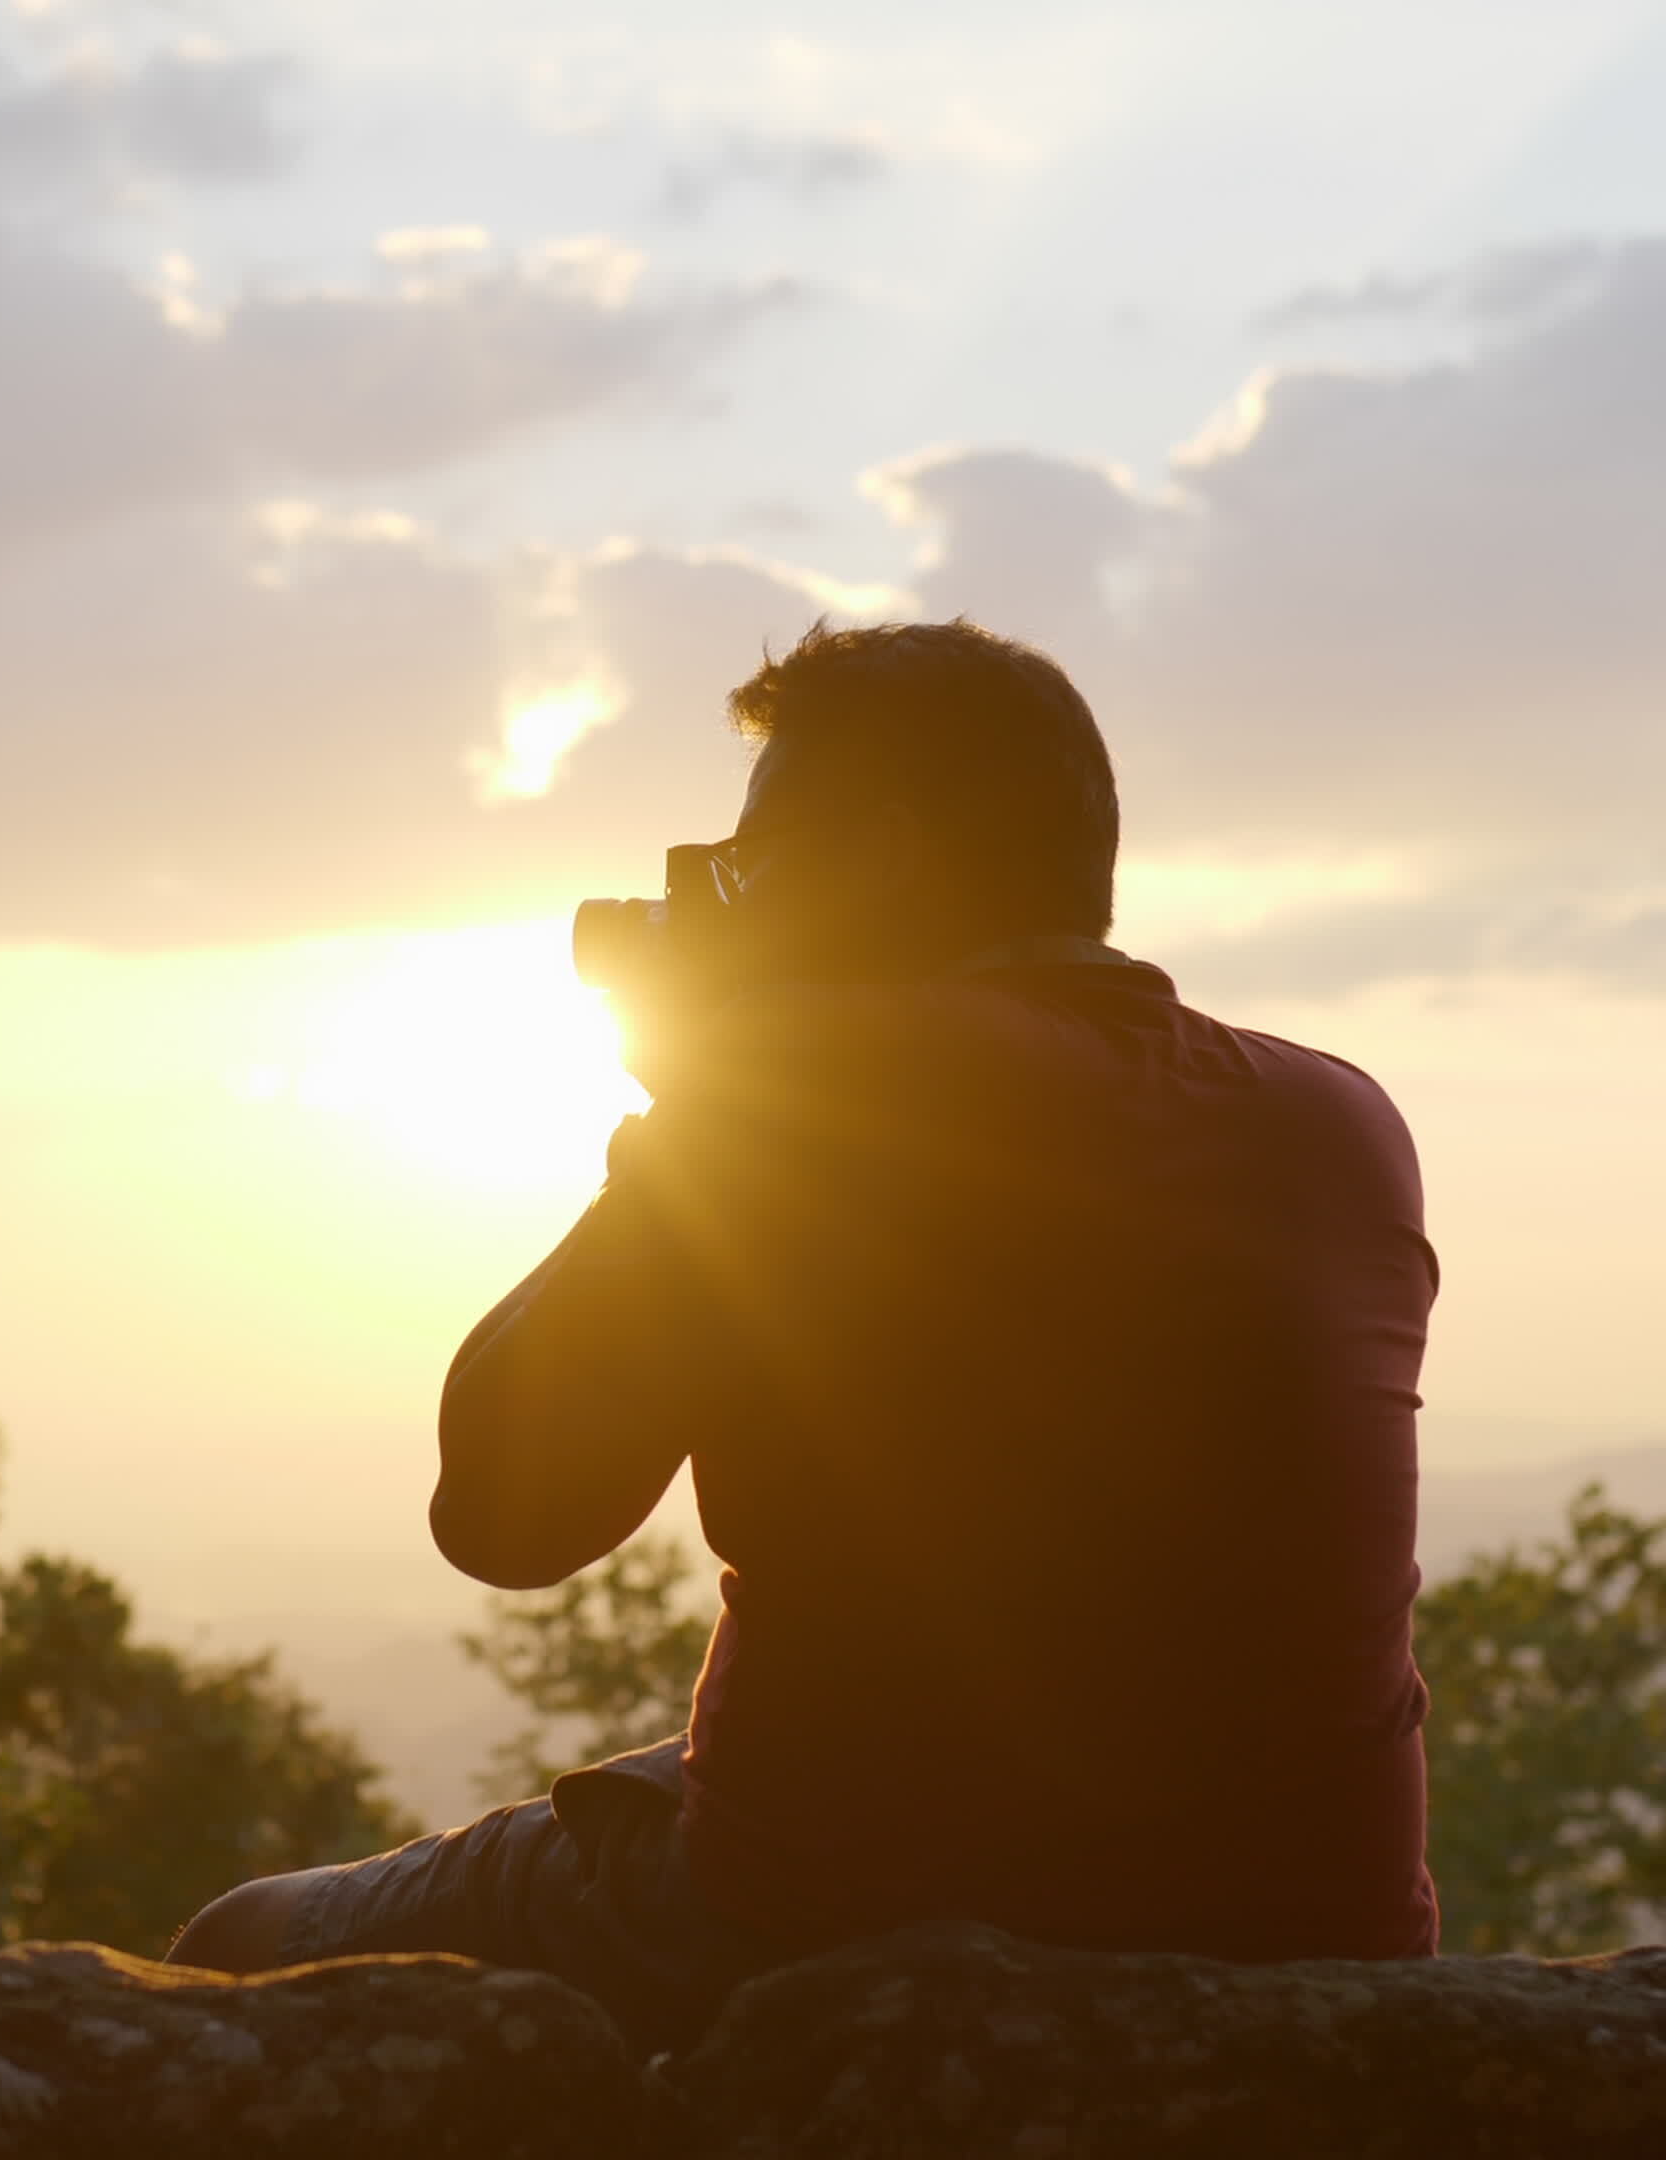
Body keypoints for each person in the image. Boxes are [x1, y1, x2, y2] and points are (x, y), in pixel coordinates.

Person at [167, 620, 1440, 2053]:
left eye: (753, 863)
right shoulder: (1340, 1120)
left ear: (881, 858)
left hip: (833, 1909)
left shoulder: (806, 1092)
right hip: (1317, 1930)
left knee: (235, 1950)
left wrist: (687, 1116)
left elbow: (507, 1516)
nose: (727, 902)